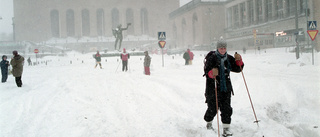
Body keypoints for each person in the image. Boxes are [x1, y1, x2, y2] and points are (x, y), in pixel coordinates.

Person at [203, 39, 244, 136]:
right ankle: (209, 124)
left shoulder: (229, 58)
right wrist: (211, 73)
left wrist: (239, 61)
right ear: (217, 48)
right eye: (221, 48)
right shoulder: (212, 58)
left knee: (226, 108)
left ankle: (226, 128)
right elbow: (206, 71)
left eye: (224, 48)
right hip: (213, 86)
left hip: (225, 87)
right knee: (212, 108)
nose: (222, 50)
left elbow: (238, 69)